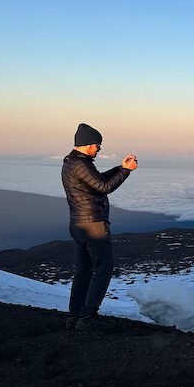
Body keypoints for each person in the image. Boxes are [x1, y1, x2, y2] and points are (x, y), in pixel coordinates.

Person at [61, 122, 138, 331]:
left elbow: (97, 180)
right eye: (98, 145)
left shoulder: (72, 163)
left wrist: (121, 168)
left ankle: (74, 316)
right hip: (93, 226)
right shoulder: (81, 165)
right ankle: (87, 318)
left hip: (78, 224)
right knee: (103, 270)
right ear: (87, 144)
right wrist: (127, 172)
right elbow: (104, 186)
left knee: (84, 271)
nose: (99, 149)